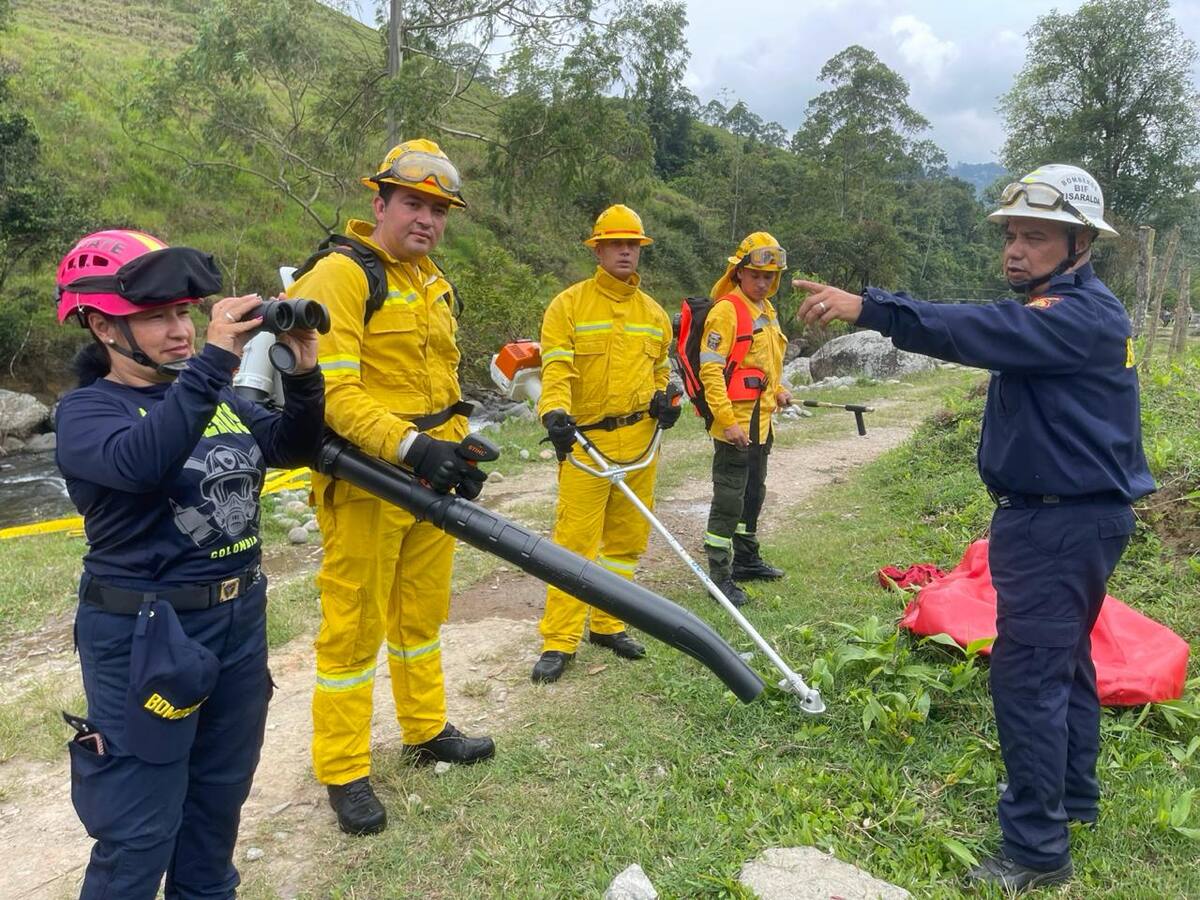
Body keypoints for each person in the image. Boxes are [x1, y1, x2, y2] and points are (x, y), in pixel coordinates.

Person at [794, 164, 1154, 893]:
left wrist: (872, 307)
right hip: (1069, 521)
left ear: (1080, 241)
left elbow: (976, 328)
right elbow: (993, 321)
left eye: (1036, 236)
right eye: (1012, 236)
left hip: (1060, 525)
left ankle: (1035, 849)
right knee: (1065, 664)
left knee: (1027, 678)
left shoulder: (1078, 318)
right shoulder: (1065, 308)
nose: (1015, 250)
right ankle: (1073, 799)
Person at [54, 228, 324, 899]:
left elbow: (292, 447)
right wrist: (211, 362)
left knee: (213, 815)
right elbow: (142, 462)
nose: (178, 330)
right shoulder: (87, 413)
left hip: (237, 622)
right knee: (139, 832)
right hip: (146, 636)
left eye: (184, 313)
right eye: (155, 317)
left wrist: (303, 369)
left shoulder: (219, 401)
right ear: (99, 325)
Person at [287, 139, 492, 838]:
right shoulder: (340, 276)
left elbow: (441, 382)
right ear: (379, 203)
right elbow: (331, 392)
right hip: (370, 481)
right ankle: (344, 770)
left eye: (439, 209)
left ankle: (425, 727)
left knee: (421, 616)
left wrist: (457, 443)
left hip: (429, 475)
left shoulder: (432, 282)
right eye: (413, 203)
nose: (427, 220)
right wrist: (412, 447)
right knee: (354, 630)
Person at [531, 204, 678, 684]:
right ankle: (560, 639)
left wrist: (666, 402)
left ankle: (609, 625)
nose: (625, 252)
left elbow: (662, 372)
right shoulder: (568, 305)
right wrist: (553, 410)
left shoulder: (655, 314)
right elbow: (555, 368)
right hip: (585, 445)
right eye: (616, 243)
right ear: (597, 248)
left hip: (640, 443)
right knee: (573, 545)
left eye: (632, 244)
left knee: (625, 542)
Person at [699, 232, 793, 608]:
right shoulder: (727, 311)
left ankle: (747, 560)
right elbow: (711, 372)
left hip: (761, 423)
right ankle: (719, 575)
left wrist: (780, 389)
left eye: (770, 276)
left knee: (754, 494)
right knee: (729, 499)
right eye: (756, 275)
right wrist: (727, 422)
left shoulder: (766, 312)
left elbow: (763, 365)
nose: (763, 282)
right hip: (734, 427)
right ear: (739, 273)